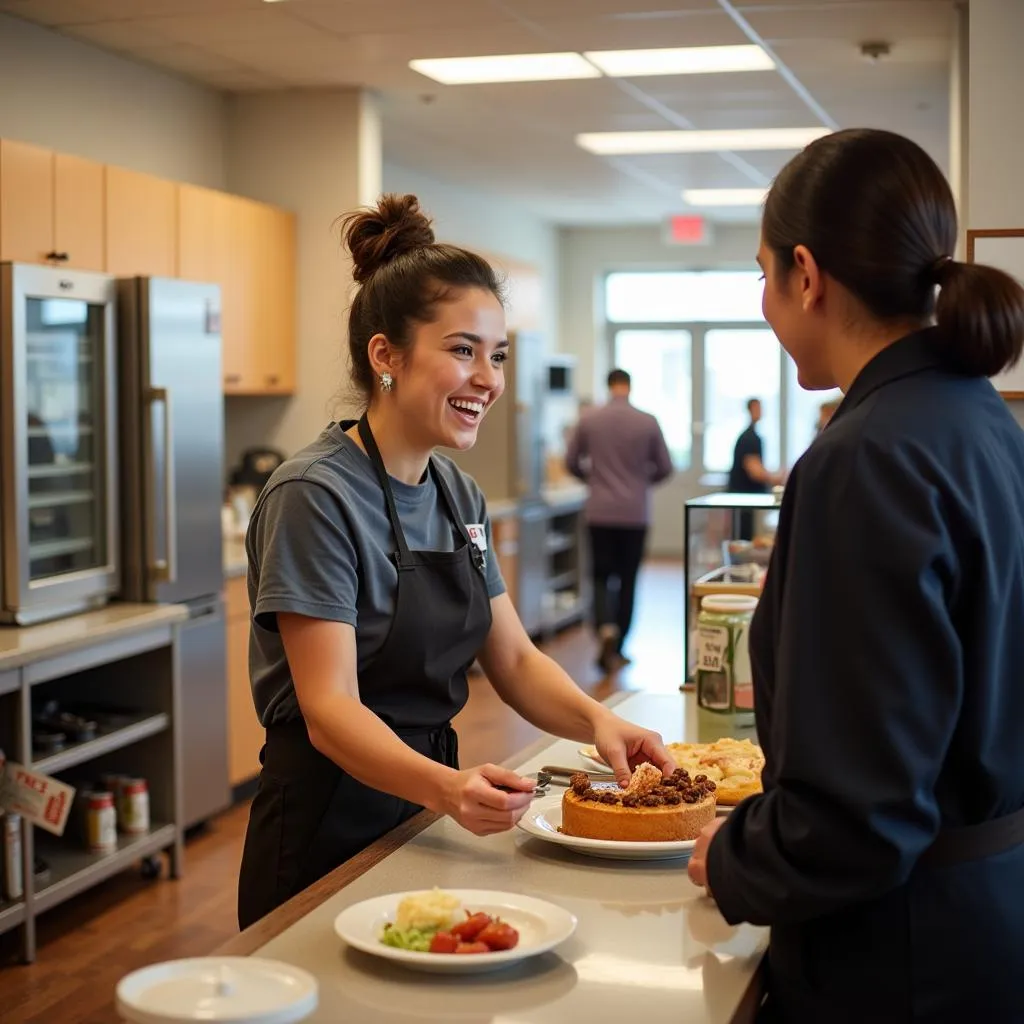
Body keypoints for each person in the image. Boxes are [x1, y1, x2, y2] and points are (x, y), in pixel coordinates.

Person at [236, 194, 674, 929]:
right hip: (324, 824)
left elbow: (513, 658)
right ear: (386, 356)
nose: (489, 378)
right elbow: (330, 710)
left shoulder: (455, 492)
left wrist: (600, 720)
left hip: (423, 804)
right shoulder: (315, 495)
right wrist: (448, 788)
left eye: (496, 355)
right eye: (463, 349)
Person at [687, 128, 1024, 1022]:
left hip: (898, 954)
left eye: (762, 275)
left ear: (806, 273)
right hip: (989, 914)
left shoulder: (862, 459)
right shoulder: (983, 422)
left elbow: (857, 820)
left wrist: (731, 859)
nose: (765, 299)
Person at [565, 368, 673, 673]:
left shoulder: (589, 419)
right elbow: (665, 466)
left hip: (599, 511)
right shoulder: (647, 421)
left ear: (608, 385)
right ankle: (621, 643)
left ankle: (605, 629)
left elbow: (571, 461)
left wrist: (593, 479)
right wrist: (640, 483)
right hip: (635, 513)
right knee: (628, 578)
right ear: (629, 386)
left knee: (600, 575)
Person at [727, 397, 783, 540]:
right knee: (745, 537)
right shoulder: (749, 438)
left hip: (747, 496)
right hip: (744, 497)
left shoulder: (752, 436)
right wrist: (777, 478)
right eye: (756, 408)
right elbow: (754, 471)